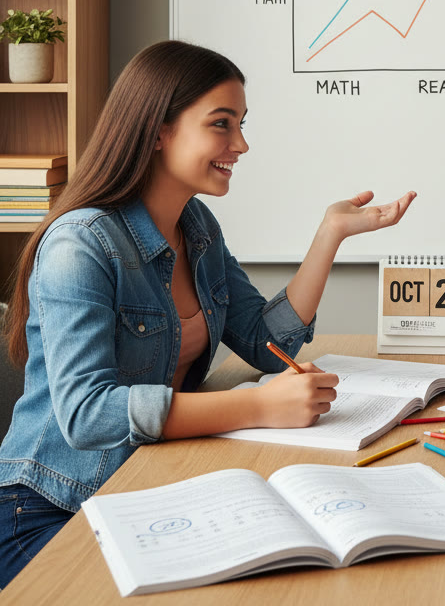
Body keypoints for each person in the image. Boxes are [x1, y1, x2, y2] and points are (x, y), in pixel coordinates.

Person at [0, 40, 415, 587]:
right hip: (52, 508)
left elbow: (266, 343)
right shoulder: (80, 246)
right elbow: (88, 414)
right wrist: (257, 406)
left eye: (241, 124)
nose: (241, 144)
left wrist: (330, 234)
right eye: (222, 124)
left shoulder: (196, 225)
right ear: (157, 131)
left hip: (144, 486)